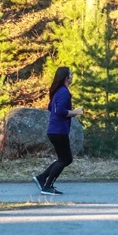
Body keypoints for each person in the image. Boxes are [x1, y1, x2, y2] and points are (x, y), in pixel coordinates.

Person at [33, 66, 83, 195]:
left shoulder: (58, 91)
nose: (72, 77)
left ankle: (42, 178)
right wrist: (75, 112)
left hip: (55, 130)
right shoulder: (63, 92)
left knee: (64, 158)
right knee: (65, 159)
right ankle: (47, 186)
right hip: (59, 131)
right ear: (67, 78)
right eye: (71, 75)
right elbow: (59, 110)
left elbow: (51, 107)